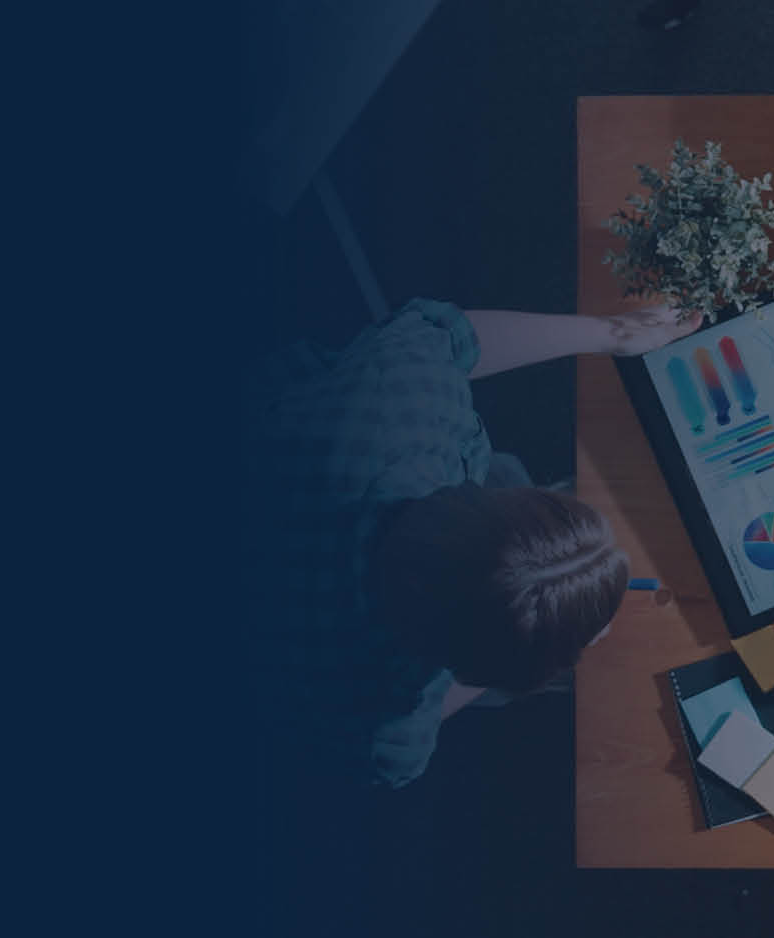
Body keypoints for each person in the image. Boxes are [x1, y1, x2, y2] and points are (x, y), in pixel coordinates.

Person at [253, 298, 696, 788]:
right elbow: (457, 684)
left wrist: (611, 334)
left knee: (507, 472)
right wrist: (548, 644)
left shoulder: (399, 407)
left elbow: (458, 337)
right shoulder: (387, 730)